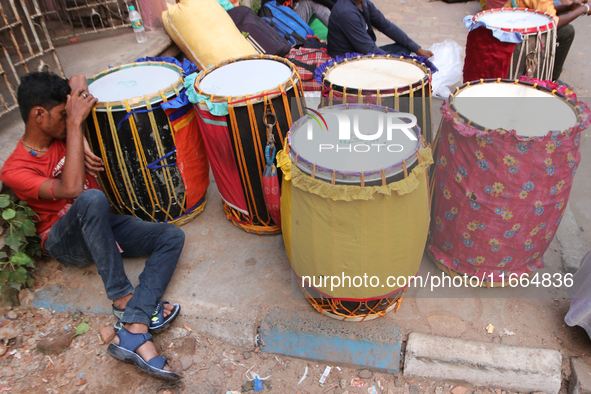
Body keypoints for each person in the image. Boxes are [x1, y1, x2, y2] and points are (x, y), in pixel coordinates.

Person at [0, 72, 184, 381]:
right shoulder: (14, 169)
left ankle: (136, 325)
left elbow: (78, 78)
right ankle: (123, 299)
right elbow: (72, 190)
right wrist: (75, 127)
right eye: (63, 115)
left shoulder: (62, 132)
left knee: (171, 235)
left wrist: (76, 130)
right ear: (39, 115)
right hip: (63, 240)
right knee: (91, 198)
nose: (69, 118)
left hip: (101, 227)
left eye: (69, 112)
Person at [502, 0, 590, 82]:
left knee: (563, 11)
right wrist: (584, 9)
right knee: (567, 31)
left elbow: (544, 7)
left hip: (514, 23)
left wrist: (569, 7)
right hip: (517, 34)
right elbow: (553, 23)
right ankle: (551, 79)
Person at [327, 0, 433, 58]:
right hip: (348, 60)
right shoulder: (347, 12)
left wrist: (418, 50)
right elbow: (369, 49)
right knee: (402, 60)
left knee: (405, 49)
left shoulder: (364, 4)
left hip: (363, 51)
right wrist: (399, 62)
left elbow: (386, 26)